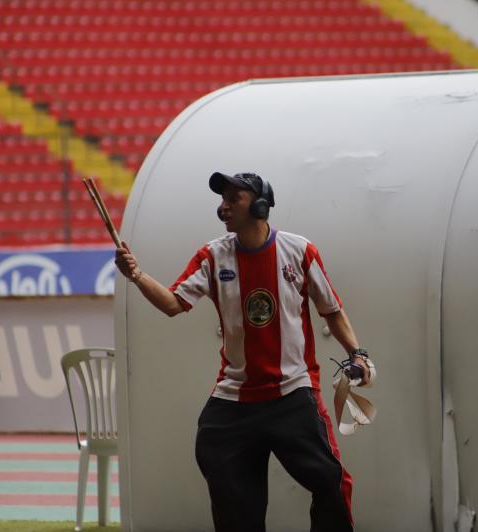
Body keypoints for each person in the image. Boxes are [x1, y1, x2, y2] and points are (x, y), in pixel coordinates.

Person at [115, 171, 373, 532]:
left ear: (261, 204)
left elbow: (332, 310)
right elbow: (173, 303)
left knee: (330, 482)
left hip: (292, 393)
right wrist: (137, 275)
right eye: (222, 199)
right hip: (234, 399)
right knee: (222, 475)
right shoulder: (212, 256)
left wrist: (357, 353)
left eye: (233, 198)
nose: (223, 206)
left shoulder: (300, 251)